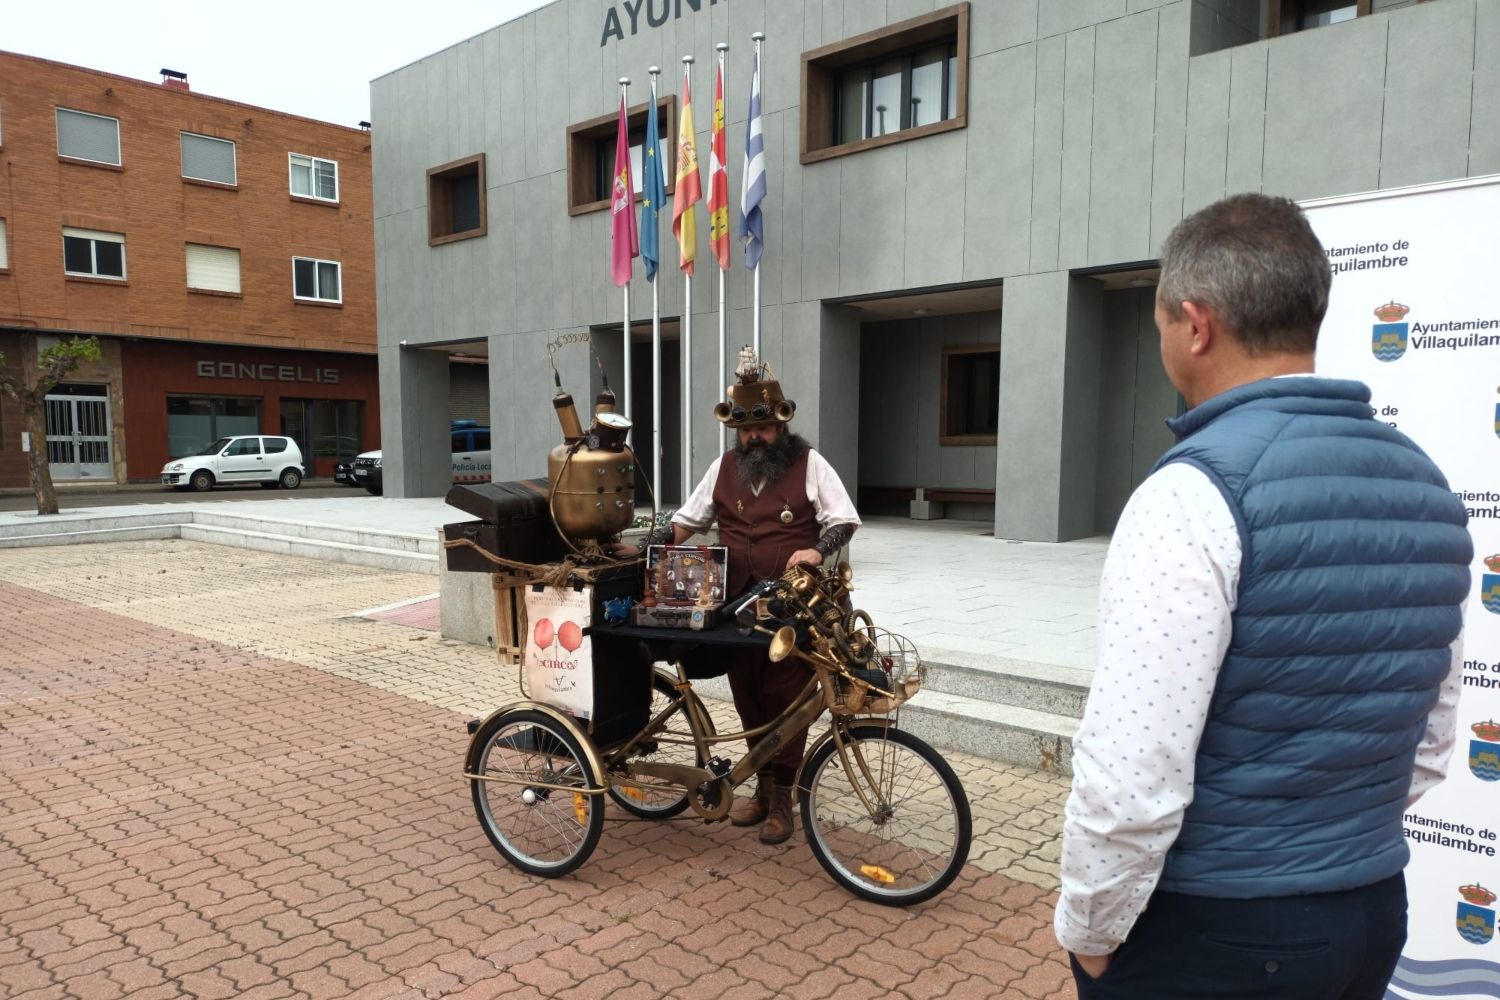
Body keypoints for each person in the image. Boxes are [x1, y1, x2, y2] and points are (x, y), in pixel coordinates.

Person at [1053, 193, 1471, 999]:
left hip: (1215, 931)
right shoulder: (1427, 482)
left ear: (1196, 323)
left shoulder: (1192, 495)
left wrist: (1091, 931)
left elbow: (1134, 775)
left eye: (1160, 326)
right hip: (1369, 913)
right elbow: (1431, 735)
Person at [648, 348, 860, 844]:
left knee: (786, 700)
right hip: (736, 607)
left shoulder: (809, 463)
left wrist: (814, 549)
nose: (754, 438)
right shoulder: (724, 468)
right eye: (745, 430)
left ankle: (783, 798)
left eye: (762, 428)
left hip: (792, 608)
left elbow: (843, 519)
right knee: (748, 696)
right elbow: (688, 520)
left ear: (779, 426)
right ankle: (761, 790)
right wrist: (649, 543)